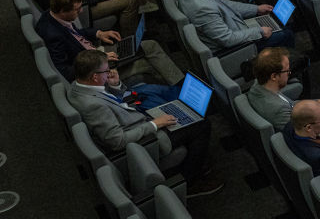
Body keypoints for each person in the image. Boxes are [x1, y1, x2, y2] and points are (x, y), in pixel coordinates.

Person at [67, 50, 222, 197]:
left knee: (169, 104)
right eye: (106, 71)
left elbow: (113, 102)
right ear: (94, 77)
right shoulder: (93, 106)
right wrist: (155, 124)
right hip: (145, 140)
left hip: (135, 117)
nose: (109, 73)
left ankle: (193, 160)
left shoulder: (78, 85)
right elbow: (117, 141)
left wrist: (116, 85)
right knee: (201, 125)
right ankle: (191, 181)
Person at [37, 0, 183, 87]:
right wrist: (98, 60)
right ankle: (179, 90)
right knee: (148, 64)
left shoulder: (53, 15)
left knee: (150, 45)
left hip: (95, 52)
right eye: (77, 9)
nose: (81, 12)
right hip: (93, 69)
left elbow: (75, 35)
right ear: (63, 10)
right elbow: (65, 71)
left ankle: (179, 83)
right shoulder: (52, 35)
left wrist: (99, 33)